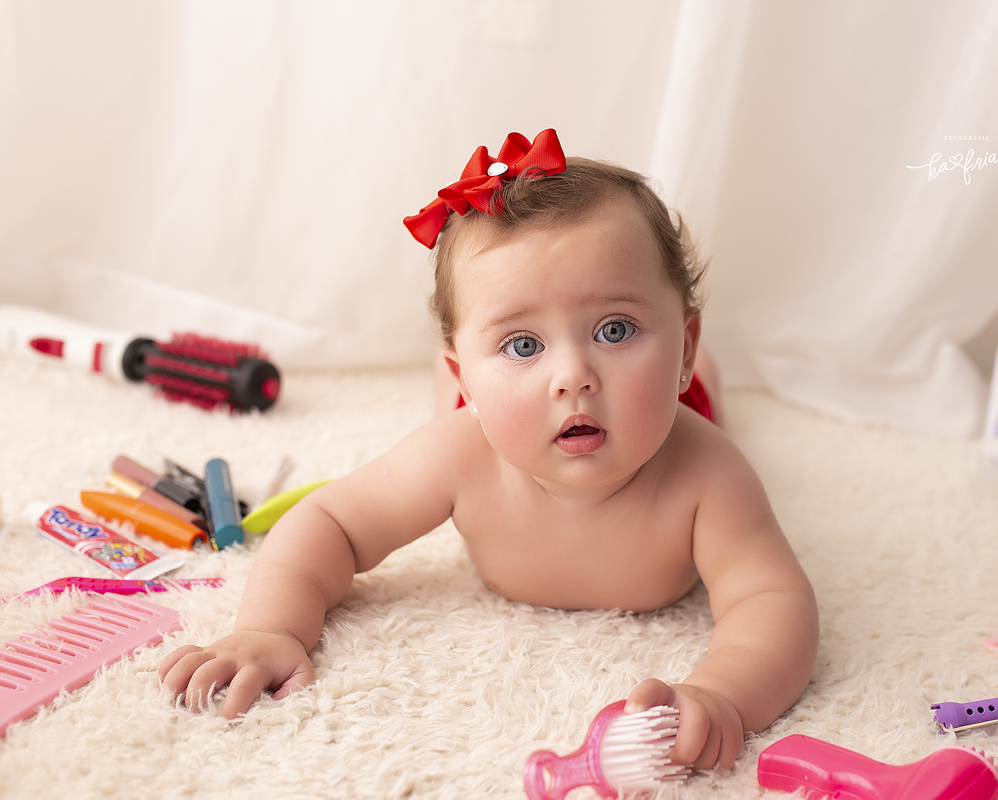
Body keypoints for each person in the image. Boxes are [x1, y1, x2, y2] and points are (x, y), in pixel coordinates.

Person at [160, 129, 819, 773]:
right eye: (524, 344)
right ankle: (486, 367)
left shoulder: (708, 473)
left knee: (699, 400)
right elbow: (329, 522)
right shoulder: (461, 455)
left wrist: (722, 694)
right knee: (467, 409)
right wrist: (273, 627)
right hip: (494, 419)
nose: (574, 374)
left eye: (615, 329)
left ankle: (674, 368)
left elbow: (772, 598)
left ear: (682, 344)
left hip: (665, 407)